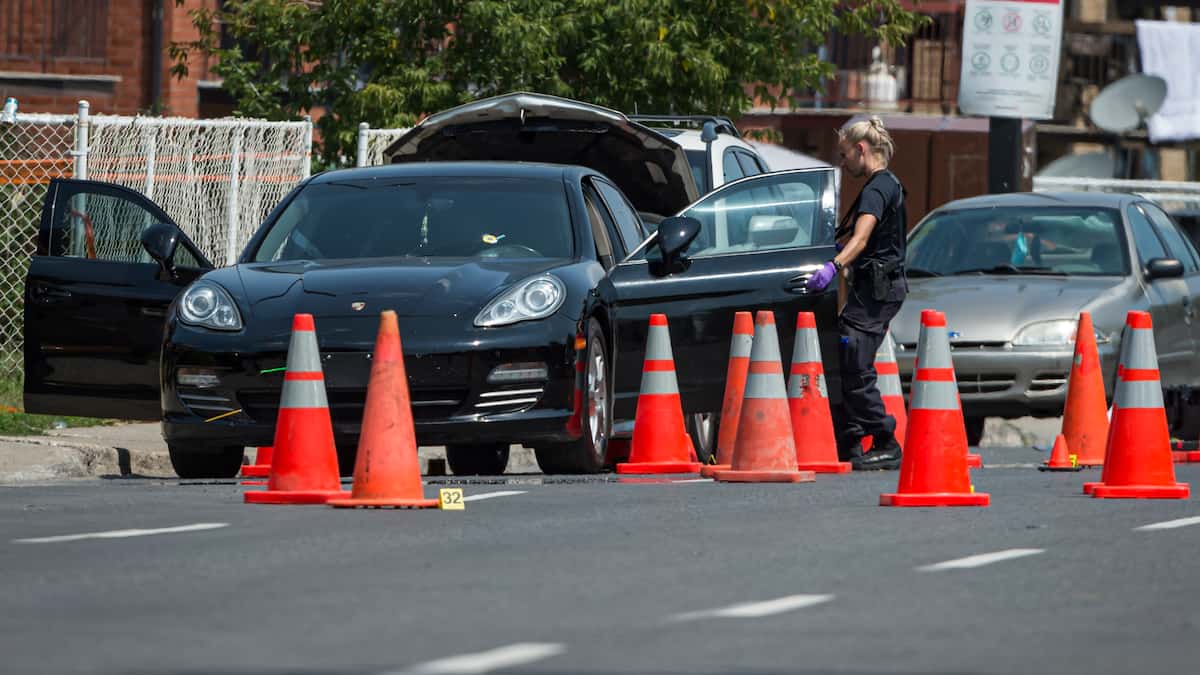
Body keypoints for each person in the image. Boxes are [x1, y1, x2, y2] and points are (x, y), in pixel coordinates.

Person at [806, 116, 907, 470]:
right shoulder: (881, 186)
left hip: (878, 291)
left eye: (844, 154)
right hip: (874, 290)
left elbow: (862, 238)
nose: (842, 161)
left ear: (861, 149)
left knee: (854, 363)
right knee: (844, 355)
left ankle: (885, 441)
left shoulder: (878, 189)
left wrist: (833, 266)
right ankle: (849, 440)